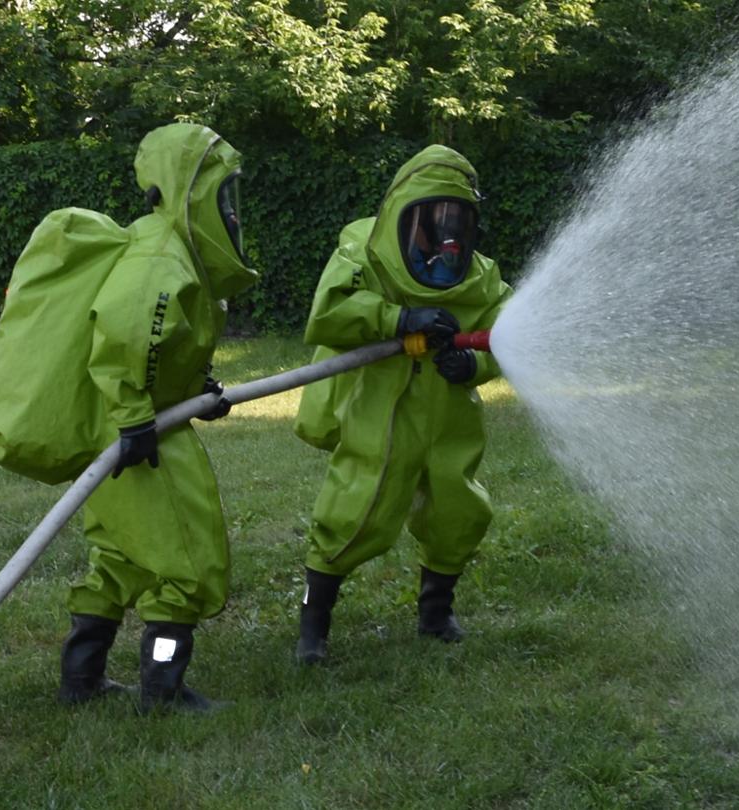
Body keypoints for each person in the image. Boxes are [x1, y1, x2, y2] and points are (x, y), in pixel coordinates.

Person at [55, 123, 259, 712]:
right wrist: (135, 419)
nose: (233, 215)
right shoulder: (161, 259)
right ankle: (162, 690)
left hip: (131, 423)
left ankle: (81, 679)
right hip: (142, 431)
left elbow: (162, 346)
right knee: (188, 563)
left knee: (120, 556)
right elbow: (125, 336)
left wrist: (197, 388)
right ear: (188, 192)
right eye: (223, 197)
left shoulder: (169, 253)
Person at [290, 145, 512, 664]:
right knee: (352, 511)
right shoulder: (362, 255)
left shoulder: (479, 275)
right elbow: (329, 313)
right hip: (379, 411)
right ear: (403, 212)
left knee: (457, 511)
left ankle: (436, 614)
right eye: (434, 218)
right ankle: (312, 627)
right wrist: (397, 319)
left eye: (456, 219)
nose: (445, 234)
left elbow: (506, 329)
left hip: (450, 415)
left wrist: (475, 366)